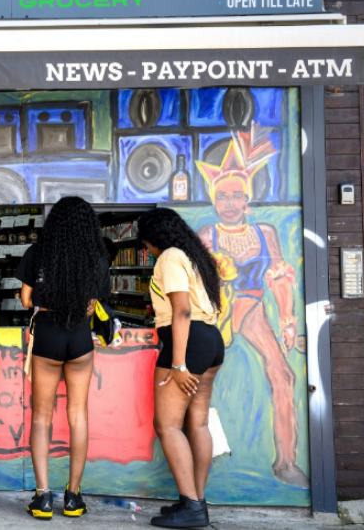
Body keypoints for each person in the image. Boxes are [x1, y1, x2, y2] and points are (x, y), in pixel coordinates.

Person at [195, 127, 307, 488]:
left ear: (248, 200)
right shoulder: (207, 236)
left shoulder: (265, 233)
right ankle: (199, 457)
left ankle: (286, 461)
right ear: (214, 201)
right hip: (216, 314)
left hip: (251, 308)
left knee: (283, 375)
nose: (229, 203)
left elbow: (279, 277)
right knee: (198, 384)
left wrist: (288, 321)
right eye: (222, 196)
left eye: (236, 196)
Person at [14, 196, 110, 519]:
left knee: (42, 417)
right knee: (78, 415)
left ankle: (42, 498)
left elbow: (27, 299)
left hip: (48, 334)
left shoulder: (37, 253)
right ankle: (73, 497)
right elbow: (92, 304)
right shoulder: (95, 257)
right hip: (80, 335)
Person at [137, 208, 223, 529]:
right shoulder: (192, 256)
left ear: (154, 238)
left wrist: (178, 363)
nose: (146, 249)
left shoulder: (169, 257)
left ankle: (191, 505)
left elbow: (182, 311)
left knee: (168, 425)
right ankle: (195, 502)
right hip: (211, 341)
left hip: (187, 344)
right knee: (197, 424)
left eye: (146, 243)